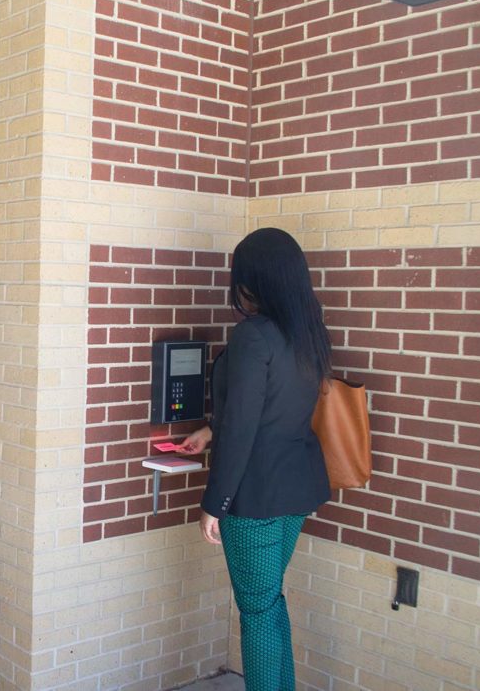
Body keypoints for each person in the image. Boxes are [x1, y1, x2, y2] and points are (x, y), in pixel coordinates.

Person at [177, 227, 331, 691]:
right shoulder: (308, 333)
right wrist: (209, 430)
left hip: (255, 497)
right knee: (269, 603)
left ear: (256, 279)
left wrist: (214, 502)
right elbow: (272, 408)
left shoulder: (252, 337)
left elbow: (244, 426)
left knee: (258, 614)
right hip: (296, 490)